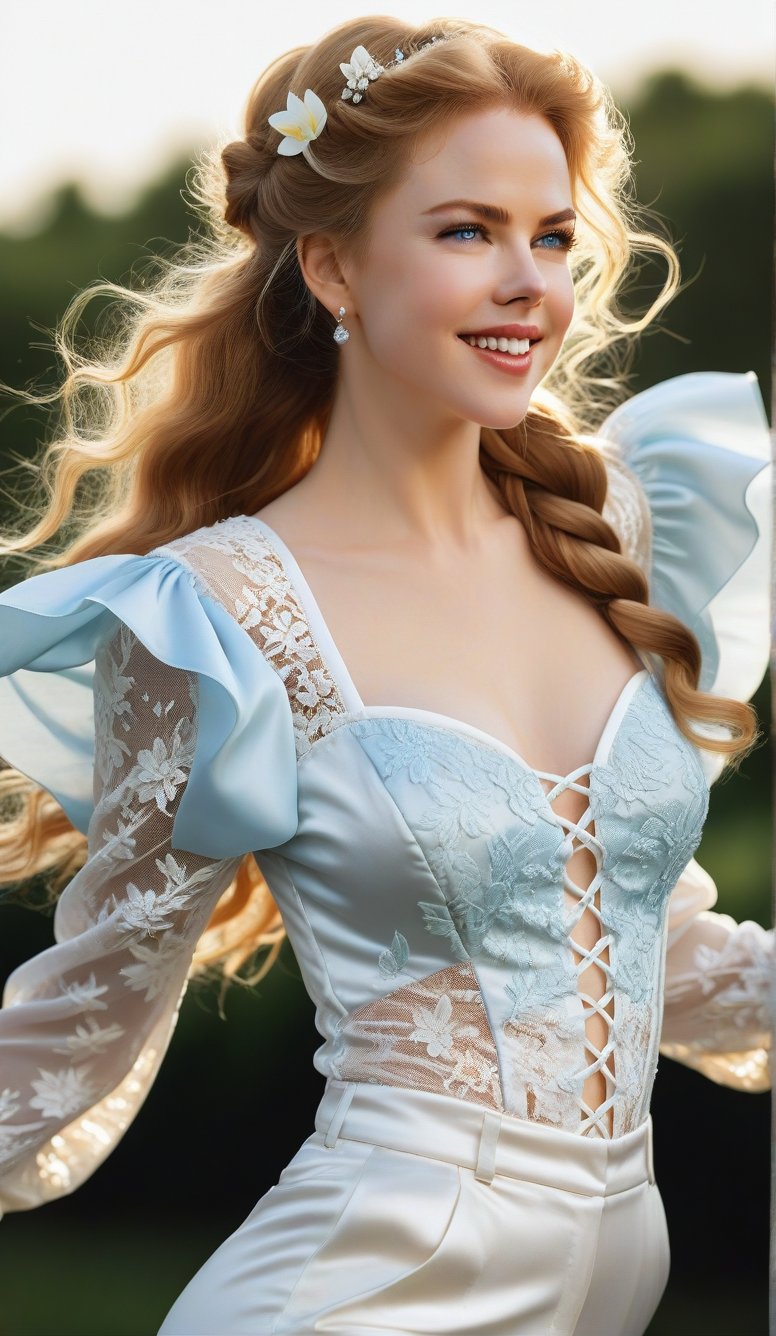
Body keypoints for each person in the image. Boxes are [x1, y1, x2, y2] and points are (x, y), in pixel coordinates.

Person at [0, 16, 771, 1336]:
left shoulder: (623, 537)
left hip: (609, 1289)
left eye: (552, 236)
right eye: (468, 230)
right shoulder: (220, 614)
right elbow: (84, 1022)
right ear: (333, 263)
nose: (528, 280)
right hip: (361, 1287)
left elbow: (646, 948)